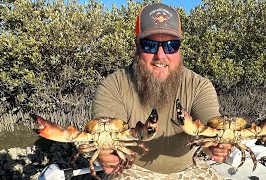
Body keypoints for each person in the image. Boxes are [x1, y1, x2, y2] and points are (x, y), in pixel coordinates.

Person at [92, 3, 232, 179]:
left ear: (180, 49)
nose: (160, 55)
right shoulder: (114, 86)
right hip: (132, 169)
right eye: (149, 45)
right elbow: (107, 138)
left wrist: (217, 145)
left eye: (170, 45)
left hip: (187, 170)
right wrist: (106, 154)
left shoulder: (199, 86)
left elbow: (212, 126)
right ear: (137, 48)